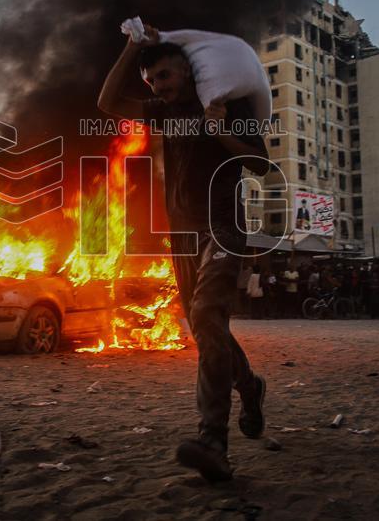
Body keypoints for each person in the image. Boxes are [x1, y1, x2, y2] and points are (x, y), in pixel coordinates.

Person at [98, 24, 268, 482]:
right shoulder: (164, 112)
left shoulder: (228, 105)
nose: (158, 86)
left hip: (224, 229)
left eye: (165, 76)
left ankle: (213, 440)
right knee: (206, 327)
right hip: (182, 235)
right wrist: (132, 47)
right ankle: (249, 387)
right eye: (152, 80)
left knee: (208, 316)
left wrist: (220, 131)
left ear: (188, 71)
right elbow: (108, 103)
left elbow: (260, 163)